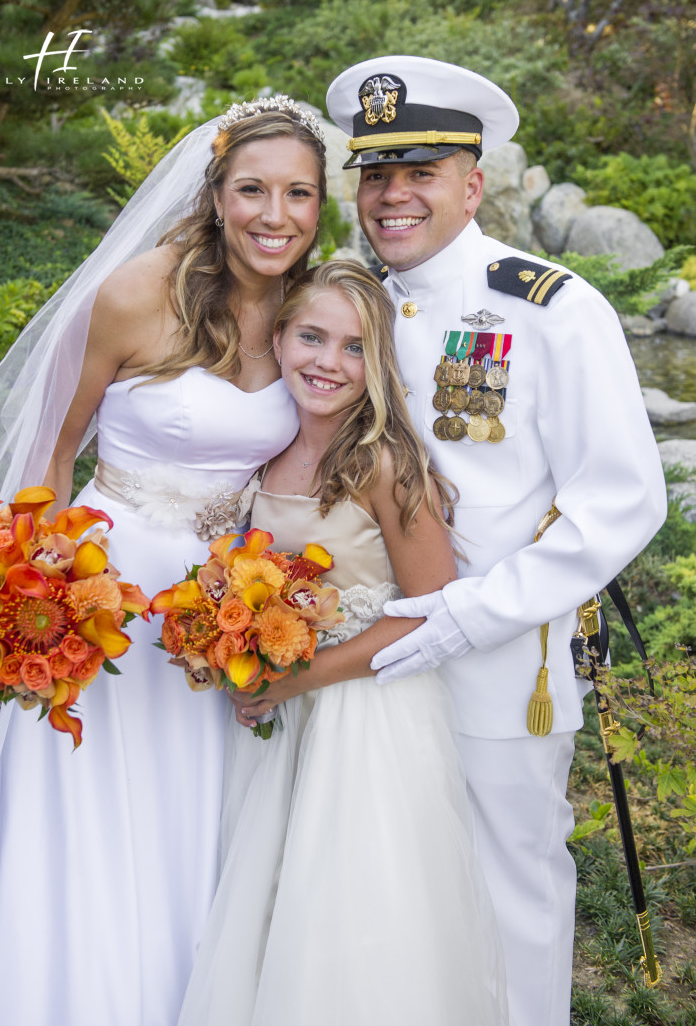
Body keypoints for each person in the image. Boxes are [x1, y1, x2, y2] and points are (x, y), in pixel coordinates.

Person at [0, 96, 326, 1026]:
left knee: (192, 815)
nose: (274, 214)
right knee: (82, 815)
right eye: (252, 189)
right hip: (105, 591)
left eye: (299, 194)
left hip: (217, 605)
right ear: (216, 193)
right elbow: (51, 453)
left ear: (321, 206)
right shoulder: (139, 291)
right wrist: (31, 589)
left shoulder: (311, 311)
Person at [323, 56, 668, 1026]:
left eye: (420, 172)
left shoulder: (549, 309)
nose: (393, 197)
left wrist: (476, 615)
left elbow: (623, 499)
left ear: (473, 185)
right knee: (380, 885)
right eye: (377, 174)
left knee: (510, 890)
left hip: (502, 657)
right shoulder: (346, 302)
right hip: (360, 648)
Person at [176, 261, 508, 1026]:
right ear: (280, 339)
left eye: (354, 347)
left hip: (367, 714)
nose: (328, 362)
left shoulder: (385, 466)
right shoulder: (267, 454)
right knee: (273, 886)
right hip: (284, 709)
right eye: (312, 337)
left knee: (352, 898)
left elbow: (431, 611)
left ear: (379, 363)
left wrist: (303, 675)